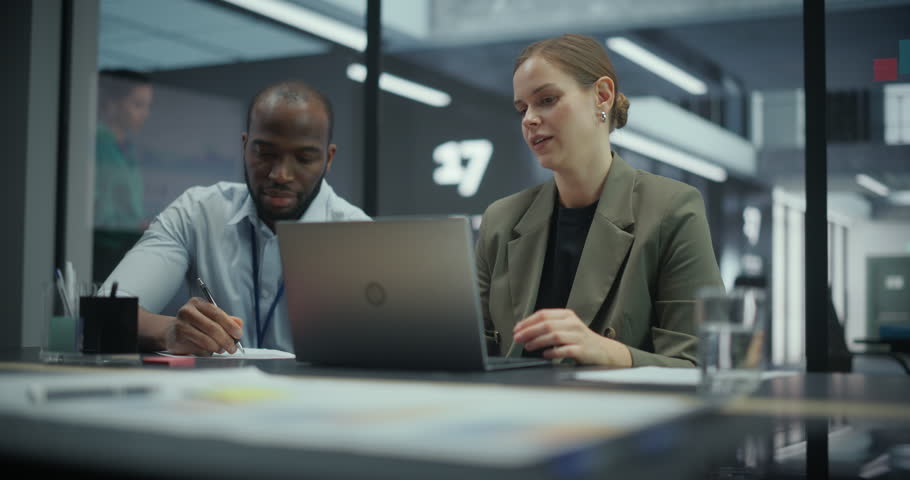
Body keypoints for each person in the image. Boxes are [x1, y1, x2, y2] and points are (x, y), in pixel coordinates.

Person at [476, 34, 723, 367]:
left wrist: (610, 352)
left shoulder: (672, 209)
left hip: (621, 416)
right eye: (523, 108)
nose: (529, 119)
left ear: (602, 96)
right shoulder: (501, 220)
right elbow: (470, 346)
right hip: (511, 413)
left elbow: (703, 364)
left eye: (547, 99)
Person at [99, 81, 369, 355]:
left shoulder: (362, 239)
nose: (281, 174)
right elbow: (102, 316)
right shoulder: (198, 213)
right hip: (215, 397)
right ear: (245, 146)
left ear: (328, 158)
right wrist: (167, 332)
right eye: (265, 153)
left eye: (304, 158)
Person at [93, 69, 154, 283]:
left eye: (147, 106)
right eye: (137, 105)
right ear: (112, 103)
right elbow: (96, 210)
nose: (144, 113)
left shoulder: (126, 148)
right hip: (101, 253)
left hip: (125, 252)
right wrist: (136, 226)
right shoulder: (97, 144)